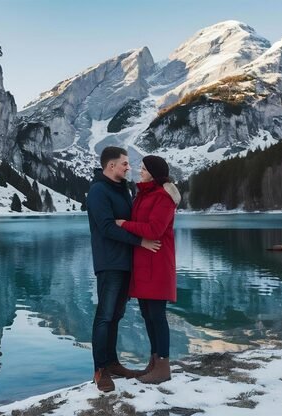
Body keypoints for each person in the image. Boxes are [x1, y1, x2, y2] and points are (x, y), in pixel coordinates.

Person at [86, 146, 162, 392]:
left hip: (127, 262)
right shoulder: (98, 190)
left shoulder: (122, 189)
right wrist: (141, 241)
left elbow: (129, 222)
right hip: (109, 263)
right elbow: (107, 228)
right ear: (111, 166)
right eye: (125, 164)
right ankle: (100, 370)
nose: (129, 168)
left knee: (116, 316)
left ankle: (113, 363)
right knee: (105, 316)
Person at [115, 155, 180, 384]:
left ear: (153, 172)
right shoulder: (143, 194)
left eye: (143, 168)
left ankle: (163, 366)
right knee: (147, 315)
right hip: (143, 262)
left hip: (158, 262)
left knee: (157, 315)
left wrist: (124, 224)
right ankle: (154, 362)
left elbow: (154, 230)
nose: (139, 171)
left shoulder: (163, 197)